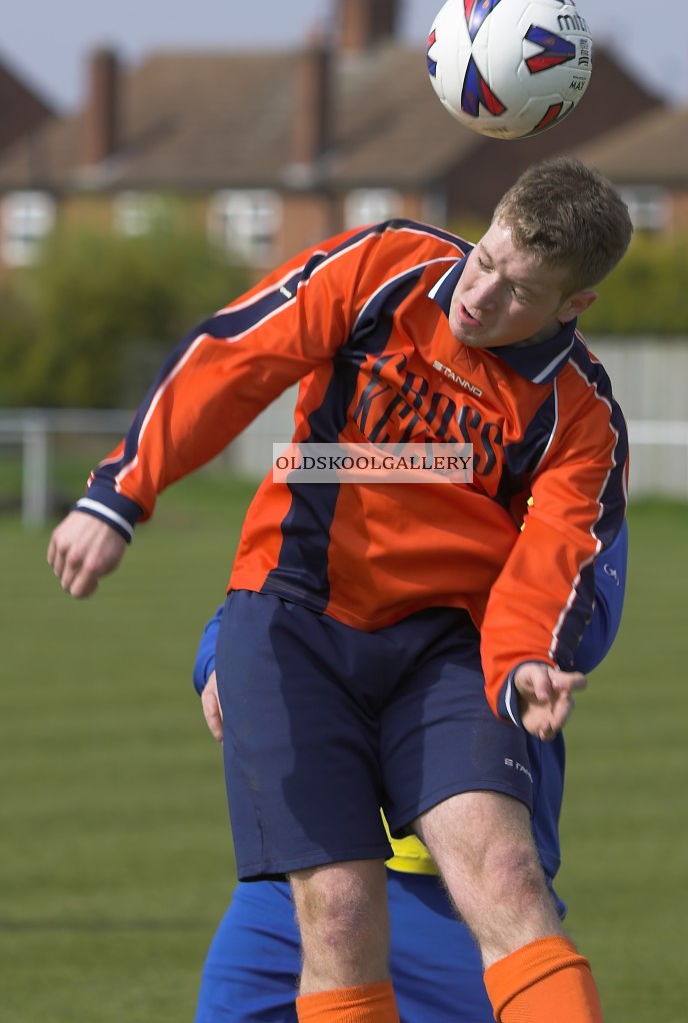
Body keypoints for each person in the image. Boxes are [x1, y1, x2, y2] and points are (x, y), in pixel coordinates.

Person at [48, 156, 633, 1023]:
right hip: (294, 618)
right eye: (483, 261)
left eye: (518, 291)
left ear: (572, 307)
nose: (477, 297)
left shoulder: (580, 415)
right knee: (340, 908)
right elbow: (234, 357)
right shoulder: (385, 269)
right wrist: (120, 491)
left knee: (509, 879)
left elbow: (554, 559)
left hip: (443, 652)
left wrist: (523, 664)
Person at [192, 524, 628, 1023]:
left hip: (456, 892)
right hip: (302, 872)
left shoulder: (562, 460)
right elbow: (267, 583)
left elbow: (582, 627)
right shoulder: (348, 454)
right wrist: (220, 658)